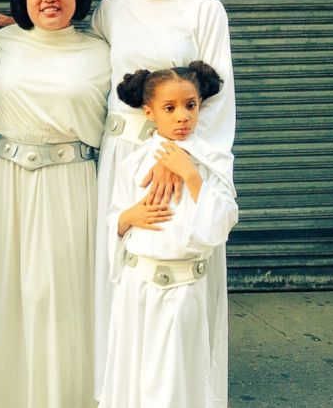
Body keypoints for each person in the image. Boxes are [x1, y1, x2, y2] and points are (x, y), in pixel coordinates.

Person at [90, 0, 237, 406]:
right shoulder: (110, 8)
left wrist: (182, 161)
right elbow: (78, 62)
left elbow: (217, 100)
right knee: (123, 276)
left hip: (180, 157)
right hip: (123, 155)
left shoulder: (204, 9)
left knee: (178, 283)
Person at [0, 0, 109, 408]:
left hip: (71, 183)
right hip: (5, 181)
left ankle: (69, 396)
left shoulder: (102, 50)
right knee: (10, 292)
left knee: (60, 295)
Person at [100, 62, 238, 408]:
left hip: (184, 290)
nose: (182, 117)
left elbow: (223, 221)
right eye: (170, 108)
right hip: (137, 287)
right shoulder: (133, 162)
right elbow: (115, 217)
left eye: (191, 106)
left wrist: (190, 174)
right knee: (135, 372)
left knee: (175, 379)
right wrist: (129, 217)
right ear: (149, 112)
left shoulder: (212, 160)